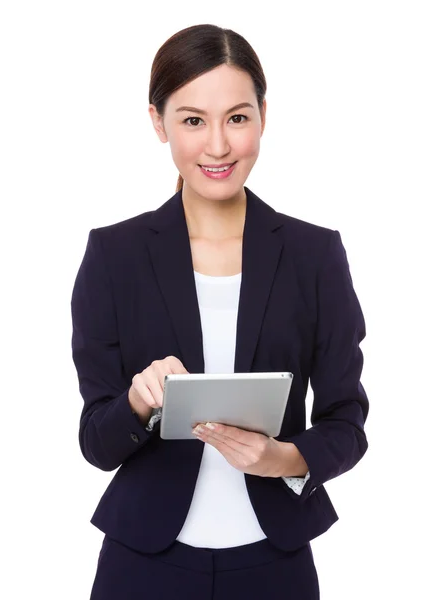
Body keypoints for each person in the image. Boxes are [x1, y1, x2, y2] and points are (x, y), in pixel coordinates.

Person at [71, 23, 369, 600]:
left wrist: (282, 456)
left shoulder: (314, 255)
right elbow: (95, 442)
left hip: (274, 563)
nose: (217, 146)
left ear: (263, 115)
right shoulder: (114, 256)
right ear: (158, 123)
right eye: (192, 120)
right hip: (144, 564)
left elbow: (346, 422)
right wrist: (137, 401)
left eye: (237, 117)